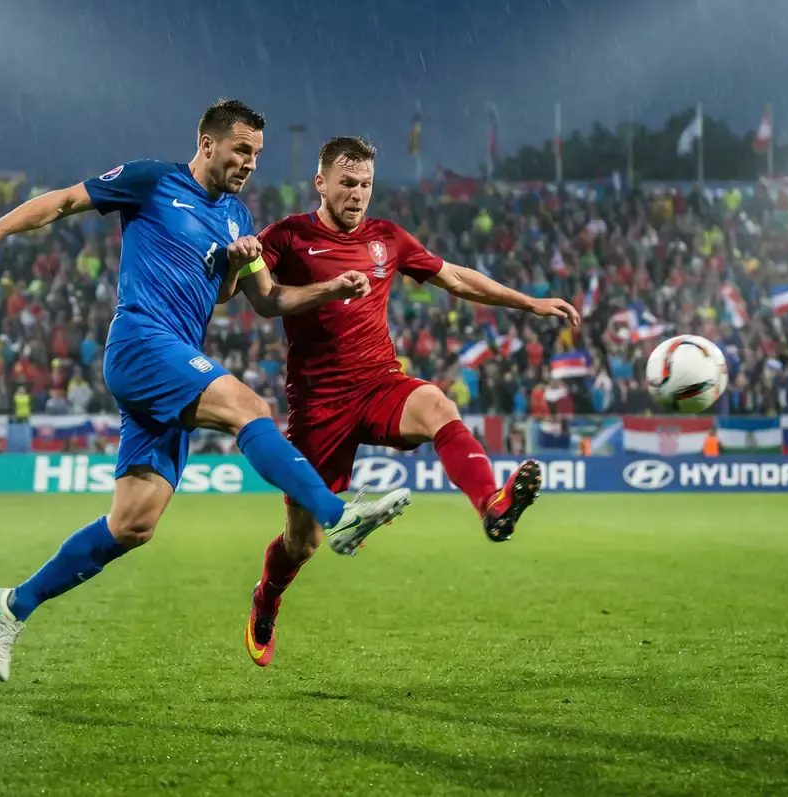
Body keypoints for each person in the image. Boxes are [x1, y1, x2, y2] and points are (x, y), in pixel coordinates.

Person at [0, 99, 413, 683]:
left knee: (133, 524)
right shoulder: (152, 180)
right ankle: (337, 513)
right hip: (142, 341)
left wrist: (317, 288)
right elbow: (64, 200)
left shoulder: (239, 218)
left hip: (170, 363)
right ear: (208, 141)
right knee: (249, 406)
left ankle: (12, 604)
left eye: (257, 154)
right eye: (241, 149)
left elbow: (261, 300)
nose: (249, 162)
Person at [228, 136, 580, 667]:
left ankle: (492, 504)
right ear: (320, 183)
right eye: (347, 183)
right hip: (320, 407)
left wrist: (527, 302)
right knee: (302, 544)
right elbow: (245, 294)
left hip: (378, 385)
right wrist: (241, 259)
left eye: (366, 184)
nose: (358, 195)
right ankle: (266, 600)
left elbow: (455, 276)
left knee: (438, 405)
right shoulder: (288, 237)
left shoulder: (386, 239)